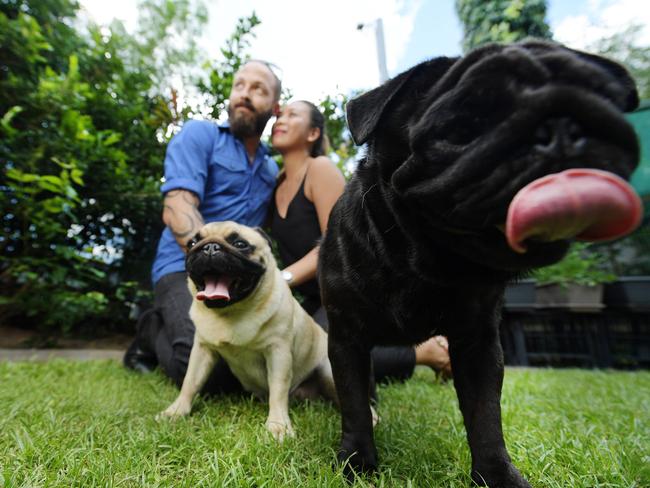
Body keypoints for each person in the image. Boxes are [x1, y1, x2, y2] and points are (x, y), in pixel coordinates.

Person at [123, 60, 283, 393]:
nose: (244, 94)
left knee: (245, 366)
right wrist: (209, 261)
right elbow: (178, 206)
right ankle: (150, 330)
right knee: (197, 370)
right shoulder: (200, 135)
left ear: (275, 107)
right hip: (181, 267)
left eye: (258, 89)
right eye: (239, 85)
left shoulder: (270, 169)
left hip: (238, 277)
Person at [268, 100, 451, 382]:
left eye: (293, 115)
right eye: (280, 115)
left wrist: (281, 279)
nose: (280, 120)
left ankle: (427, 352)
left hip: (354, 290)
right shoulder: (277, 183)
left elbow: (334, 245)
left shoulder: (320, 169)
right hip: (314, 297)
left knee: (328, 352)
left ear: (313, 133)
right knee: (288, 351)